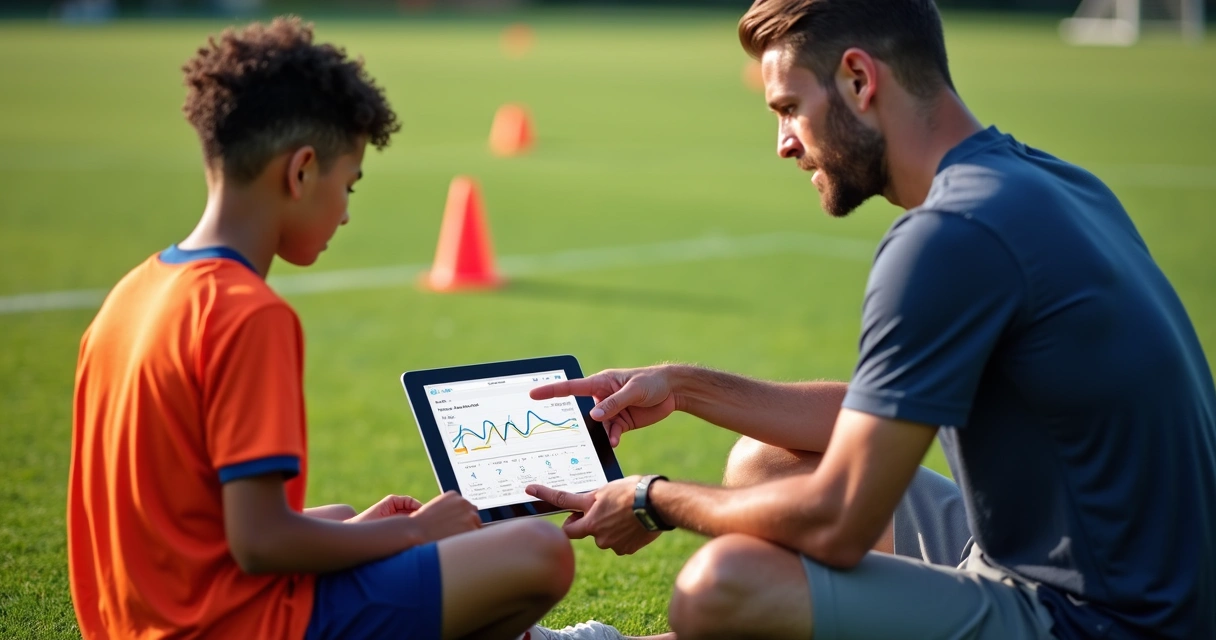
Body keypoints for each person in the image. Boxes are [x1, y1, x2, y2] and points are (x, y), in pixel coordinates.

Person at [524, 0, 1216, 638]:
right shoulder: (1047, 182)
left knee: (722, 585)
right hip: (1089, 577)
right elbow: (875, 417)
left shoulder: (951, 235)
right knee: (765, 462)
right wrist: (683, 387)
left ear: (858, 78)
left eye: (789, 107)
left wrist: (654, 498)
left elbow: (837, 523)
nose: (784, 144)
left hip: (1102, 622)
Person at [67, 17, 590, 640]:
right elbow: (261, 543)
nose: (345, 212)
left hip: (139, 619)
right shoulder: (247, 313)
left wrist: (371, 534)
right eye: (348, 185)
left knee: (343, 517)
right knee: (535, 548)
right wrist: (418, 532)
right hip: (229, 625)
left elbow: (190, 527)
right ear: (301, 172)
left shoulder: (134, 291)